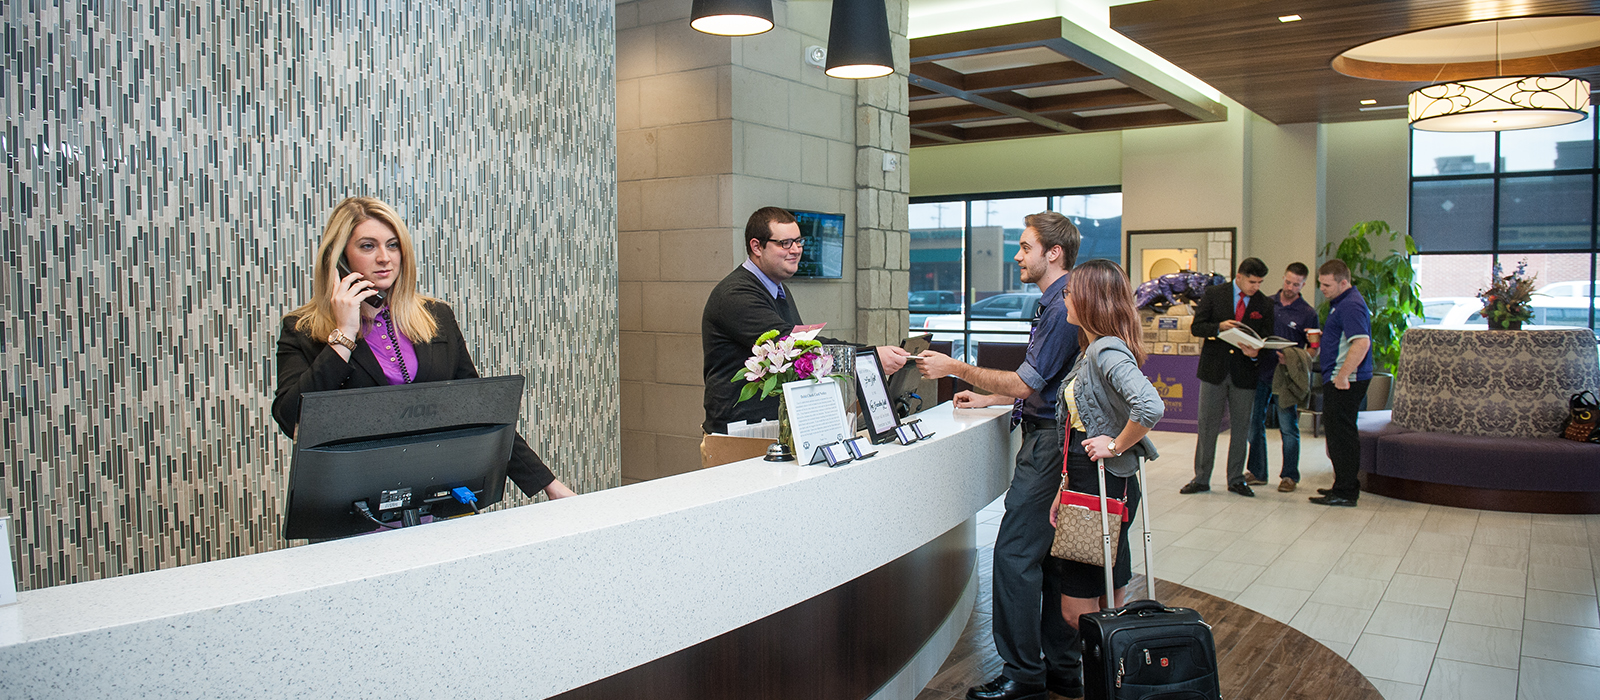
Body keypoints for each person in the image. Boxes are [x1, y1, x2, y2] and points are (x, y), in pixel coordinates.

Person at [273, 196, 576, 502]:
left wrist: (549, 485)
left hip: (436, 497)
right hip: (351, 506)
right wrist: (344, 334)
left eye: (393, 245)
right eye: (368, 246)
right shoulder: (303, 329)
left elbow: (478, 410)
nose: (384, 258)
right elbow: (290, 418)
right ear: (339, 258)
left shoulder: (435, 317)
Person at [915, 212, 1083, 700]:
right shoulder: (1060, 300)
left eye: (1026, 247)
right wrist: (995, 399)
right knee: (1051, 558)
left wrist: (957, 369)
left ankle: (1023, 676)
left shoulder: (1060, 305)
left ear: (1053, 253)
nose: (1017, 255)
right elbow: (1046, 385)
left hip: (1051, 445)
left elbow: (1028, 382)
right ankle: (1062, 668)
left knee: (1013, 555)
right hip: (1058, 433)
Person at [701, 207, 911, 434]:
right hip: (740, 432)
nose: (796, 250)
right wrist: (866, 355)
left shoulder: (778, 289)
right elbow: (794, 346)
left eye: (799, 242)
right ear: (756, 247)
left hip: (773, 426)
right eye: (785, 243)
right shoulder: (736, 294)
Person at [1048, 259, 1162, 641]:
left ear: (1089, 299)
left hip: (1103, 483)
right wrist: (1064, 491)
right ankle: (1112, 676)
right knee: (1108, 600)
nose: (1065, 299)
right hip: (1092, 481)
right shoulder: (1092, 348)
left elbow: (1150, 406)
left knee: (1077, 609)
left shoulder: (1105, 351)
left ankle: (1111, 667)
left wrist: (1114, 444)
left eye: (1069, 292)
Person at [1180, 258, 1274, 497]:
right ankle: (1201, 478)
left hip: (1245, 373)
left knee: (1241, 429)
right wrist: (1218, 327)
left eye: (1260, 282)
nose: (1256, 287)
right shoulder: (1214, 294)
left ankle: (1236, 479)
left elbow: (1266, 337)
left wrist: (1257, 351)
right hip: (1214, 371)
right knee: (1207, 427)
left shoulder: (1264, 303)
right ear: (1239, 277)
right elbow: (1197, 327)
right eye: (1252, 281)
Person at [1245, 262, 1319, 493]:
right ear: (1283, 278)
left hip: (1286, 378)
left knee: (1288, 427)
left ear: (1303, 284)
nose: (1290, 287)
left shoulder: (1308, 313)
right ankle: (1257, 472)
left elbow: (1313, 348)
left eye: (1296, 284)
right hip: (1261, 372)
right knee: (1254, 424)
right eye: (1288, 282)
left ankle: (1289, 476)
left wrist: (1295, 360)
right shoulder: (1266, 303)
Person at [1309, 259, 1372, 508]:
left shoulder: (1350, 305)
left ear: (1343, 282)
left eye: (1327, 284)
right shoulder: (1342, 303)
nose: (1322, 289)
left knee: (1342, 436)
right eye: (1320, 283)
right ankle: (1341, 486)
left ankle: (1346, 491)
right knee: (1335, 435)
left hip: (1345, 380)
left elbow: (1361, 342)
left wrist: (1343, 374)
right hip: (1339, 377)